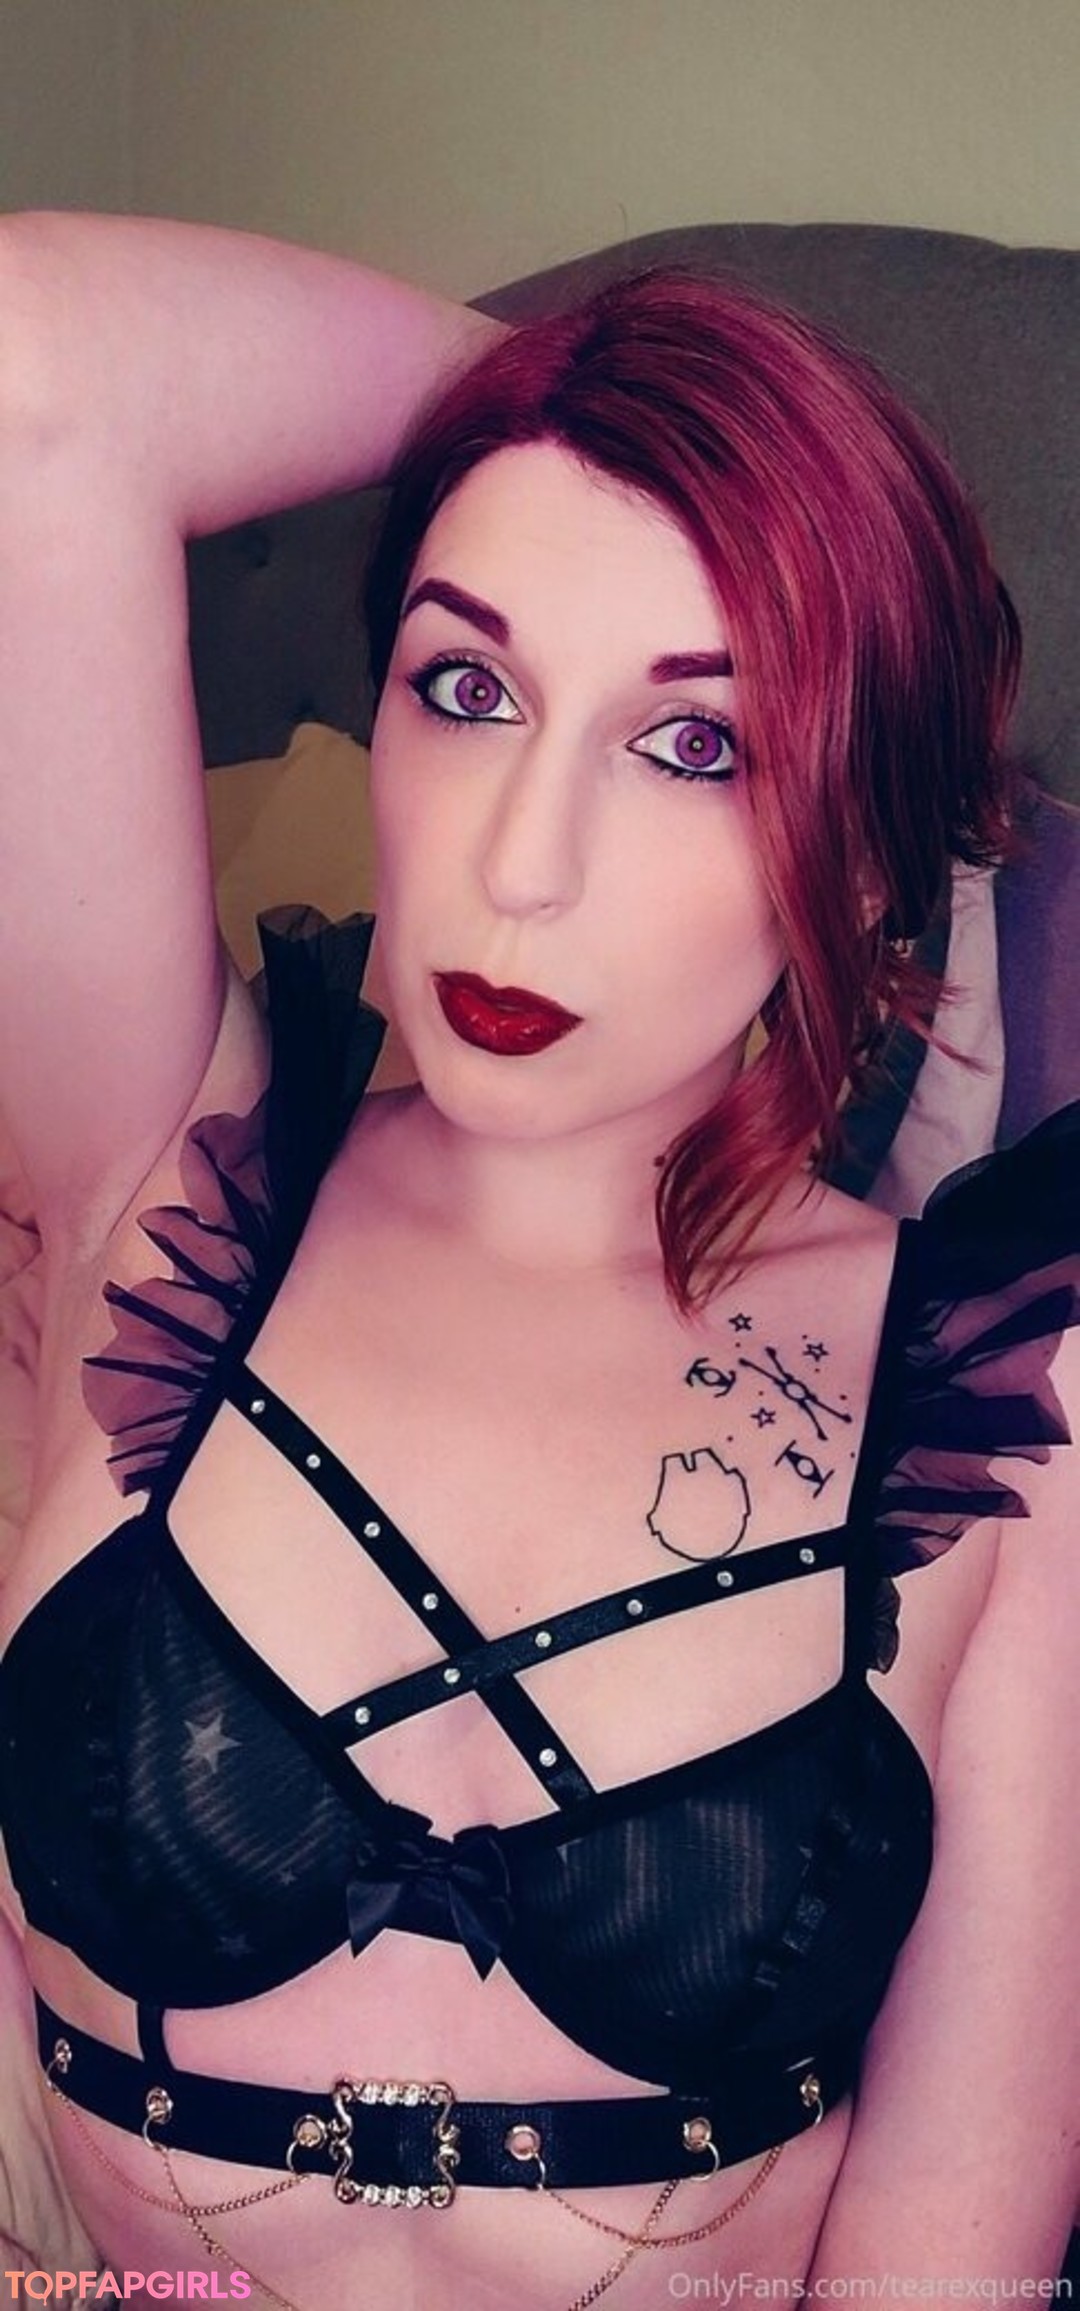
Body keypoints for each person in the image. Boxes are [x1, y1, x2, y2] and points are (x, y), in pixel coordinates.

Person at [0, 211, 1076, 2310]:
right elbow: (33, 370)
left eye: (697, 741)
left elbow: (944, 2251)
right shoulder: (166, 1173)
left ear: (863, 848)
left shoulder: (997, 1396)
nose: (521, 862)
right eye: (469, 686)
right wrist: (582, 403)